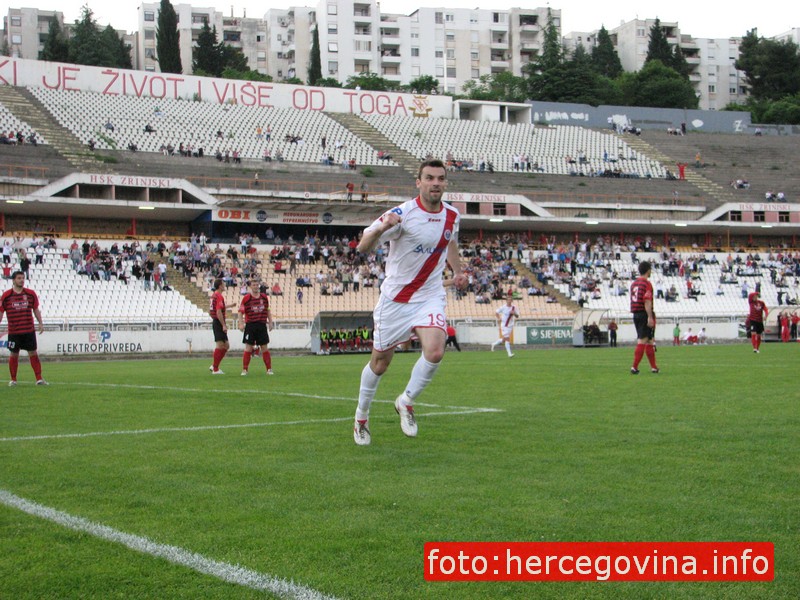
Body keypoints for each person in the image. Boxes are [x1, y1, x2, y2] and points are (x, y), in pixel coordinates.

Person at [352, 159, 466, 446]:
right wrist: (380, 229)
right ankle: (361, 417)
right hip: (396, 299)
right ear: (418, 182)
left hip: (429, 296)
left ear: (446, 183)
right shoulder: (401, 214)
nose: (435, 183)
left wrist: (458, 270)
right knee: (379, 364)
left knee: (436, 350)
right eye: (429, 178)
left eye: (440, 178)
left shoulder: (452, 215)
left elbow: (450, 242)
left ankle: (406, 401)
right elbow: (363, 246)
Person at [1, 271, 48, 386]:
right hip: (14, 332)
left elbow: (36, 309)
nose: (21, 280)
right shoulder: (6, 296)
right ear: (13, 280)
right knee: (14, 354)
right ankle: (13, 380)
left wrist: (40, 323)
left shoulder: (31, 294)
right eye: (19, 278)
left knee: (33, 353)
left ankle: (39, 378)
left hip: (28, 330)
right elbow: (1, 312)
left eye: (23, 278)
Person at [238, 279, 274, 376]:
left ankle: (269, 369)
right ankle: (245, 370)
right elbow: (240, 312)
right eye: (253, 285)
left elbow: (268, 310)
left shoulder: (264, 297)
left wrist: (270, 322)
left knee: (264, 347)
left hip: (261, 325)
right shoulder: (246, 298)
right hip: (250, 325)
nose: (255, 286)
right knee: (248, 348)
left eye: (257, 285)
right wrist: (241, 323)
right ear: (250, 286)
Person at [630, 260, 659, 374]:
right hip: (644, 314)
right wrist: (650, 317)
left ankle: (654, 367)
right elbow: (647, 301)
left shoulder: (634, 284)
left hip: (636, 314)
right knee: (643, 340)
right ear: (648, 270)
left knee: (650, 340)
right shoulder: (646, 284)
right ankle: (634, 367)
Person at [208, 279, 229, 374]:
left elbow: (213, 310)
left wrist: (229, 306)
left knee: (226, 345)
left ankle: (214, 365)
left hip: (216, 321)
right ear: (220, 286)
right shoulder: (219, 296)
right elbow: (218, 311)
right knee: (220, 345)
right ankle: (215, 368)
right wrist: (223, 325)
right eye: (223, 284)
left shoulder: (213, 296)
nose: (224, 286)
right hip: (218, 321)